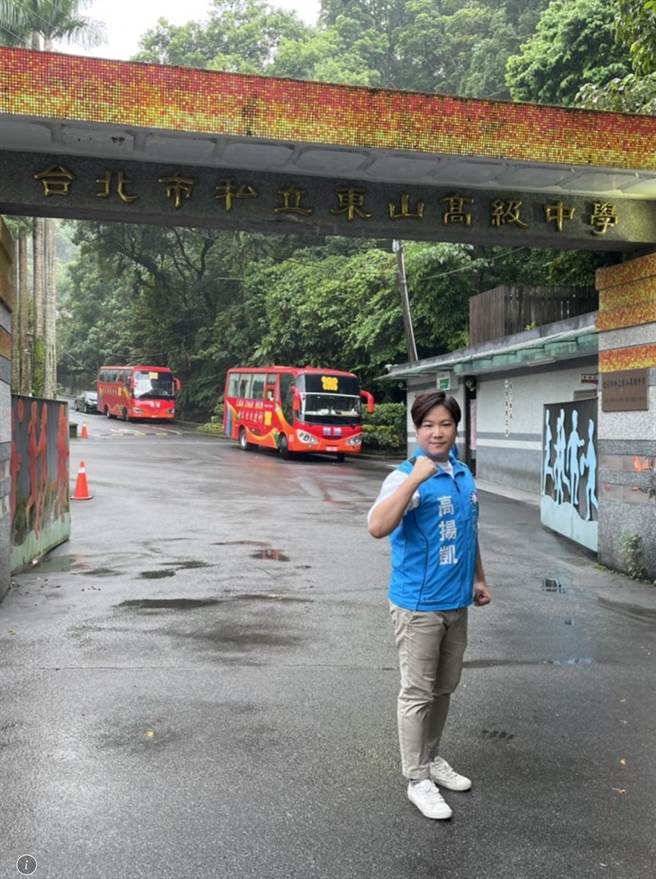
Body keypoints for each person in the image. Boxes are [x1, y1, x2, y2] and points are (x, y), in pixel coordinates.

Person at [368, 391, 491, 820]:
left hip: (456, 603)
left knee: (444, 688)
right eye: (427, 425)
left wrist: (478, 578)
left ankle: (432, 758)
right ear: (417, 430)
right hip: (418, 606)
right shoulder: (405, 476)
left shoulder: (462, 474)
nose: (437, 432)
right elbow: (377, 526)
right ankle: (417, 778)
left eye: (445, 424)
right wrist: (415, 479)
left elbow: (467, 531)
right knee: (417, 692)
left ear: (457, 428)